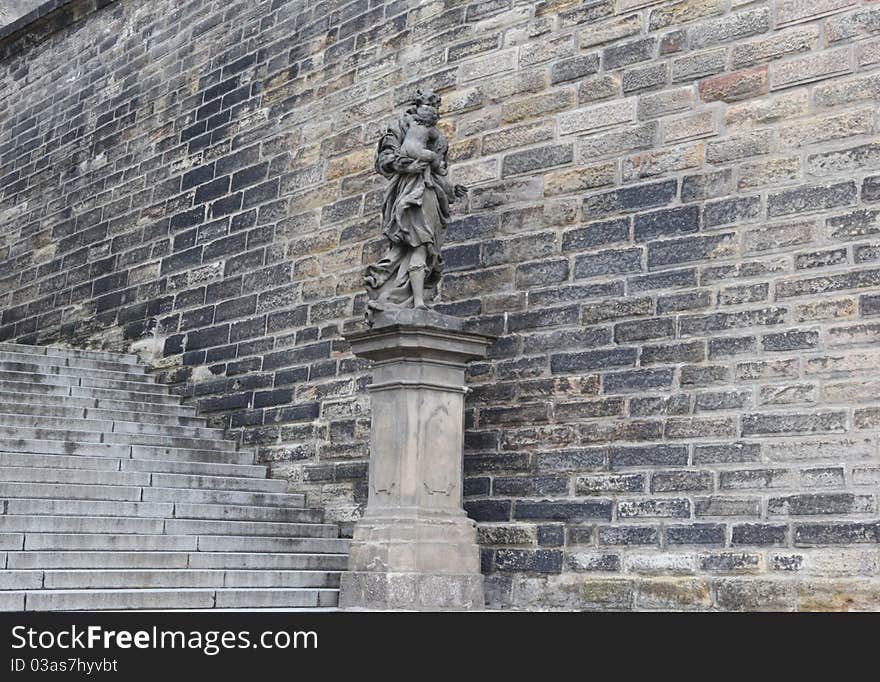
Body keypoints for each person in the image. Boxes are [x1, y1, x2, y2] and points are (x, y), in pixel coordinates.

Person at [364, 90, 467, 321]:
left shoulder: (438, 138)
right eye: (426, 104)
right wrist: (407, 166)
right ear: (417, 105)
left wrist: (451, 190)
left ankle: (414, 298)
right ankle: (412, 300)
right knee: (416, 243)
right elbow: (384, 159)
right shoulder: (402, 126)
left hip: (430, 192)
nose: (431, 109)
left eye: (434, 106)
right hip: (408, 190)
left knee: (427, 245)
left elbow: (439, 170)